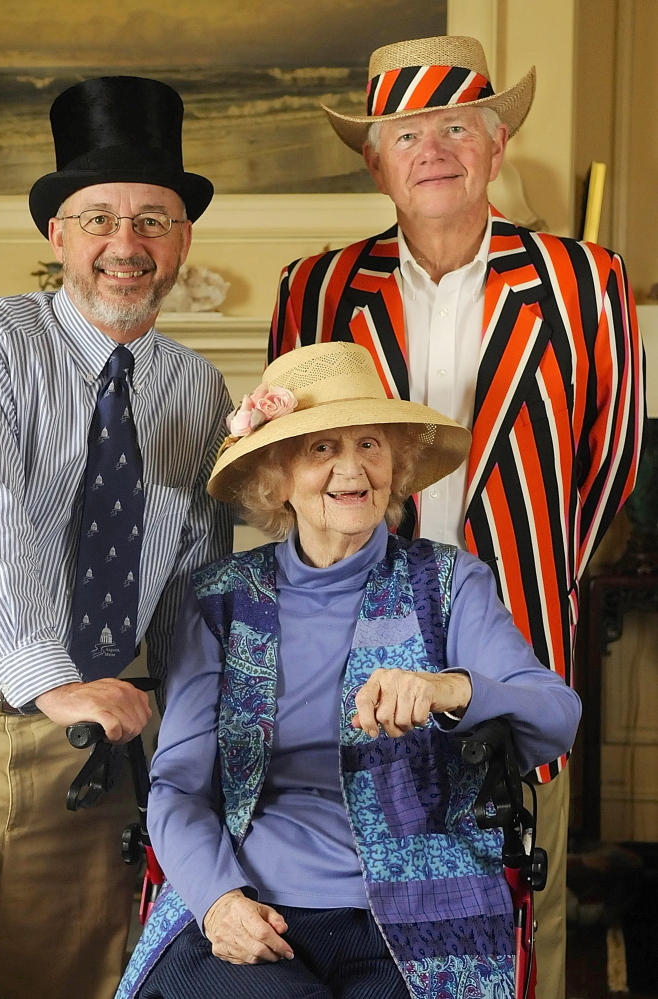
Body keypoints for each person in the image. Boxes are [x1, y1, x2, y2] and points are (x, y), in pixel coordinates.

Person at [268, 36, 644, 998]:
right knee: (360, 901)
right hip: (349, 643)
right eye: (406, 133)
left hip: (513, 635)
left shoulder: (582, 280)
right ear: (374, 159)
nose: (432, 148)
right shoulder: (315, 290)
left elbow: (606, 464)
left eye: (455, 127)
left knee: (522, 894)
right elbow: (289, 466)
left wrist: (532, 566)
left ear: (495, 144)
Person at [0, 77, 232, 999]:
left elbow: (195, 587)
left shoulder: (198, 391)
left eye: (152, 219)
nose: (127, 245)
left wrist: (193, 743)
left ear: (183, 239)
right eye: (99, 219)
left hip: (91, 766)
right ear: (59, 236)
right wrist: (52, 678)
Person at [117, 341, 582, 999]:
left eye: (370, 443)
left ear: (397, 461)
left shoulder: (449, 583)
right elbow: (178, 788)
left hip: (418, 915)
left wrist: (449, 687)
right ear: (275, 476)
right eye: (321, 448)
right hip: (249, 905)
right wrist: (219, 900)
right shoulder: (220, 598)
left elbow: (556, 714)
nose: (352, 468)